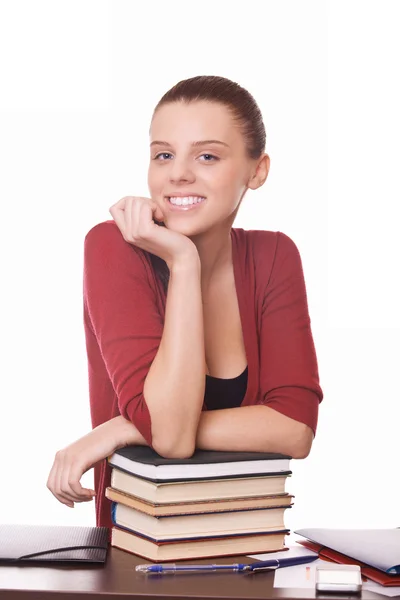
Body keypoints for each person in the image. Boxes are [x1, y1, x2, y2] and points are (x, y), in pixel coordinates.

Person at [47, 75, 323, 530]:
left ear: (257, 171)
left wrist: (123, 428)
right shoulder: (112, 247)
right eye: (163, 155)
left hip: (246, 547)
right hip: (136, 552)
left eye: (207, 155)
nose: (178, 173)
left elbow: (296, 428)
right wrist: (184, 262)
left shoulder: (274, 255)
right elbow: (171, 437)